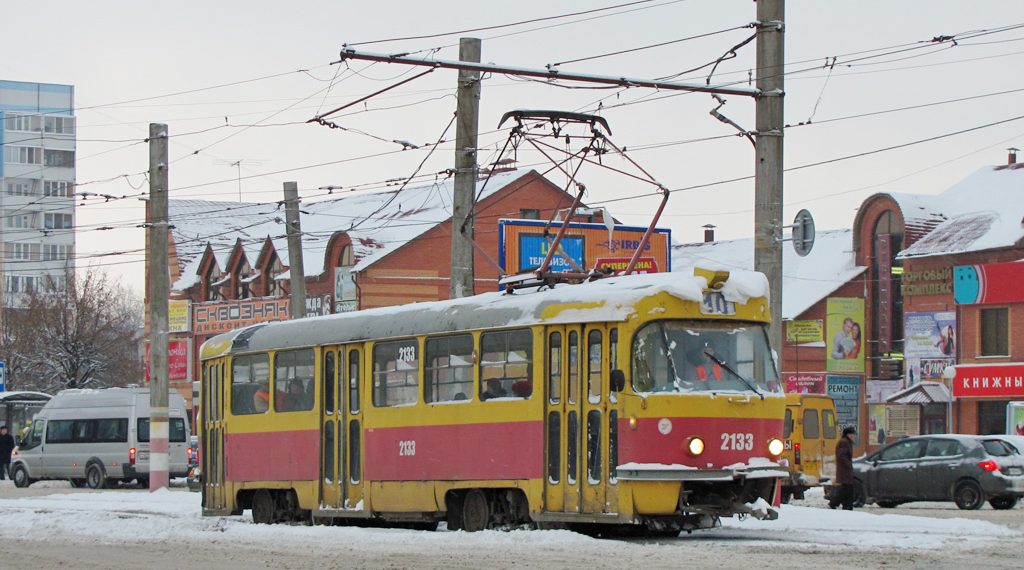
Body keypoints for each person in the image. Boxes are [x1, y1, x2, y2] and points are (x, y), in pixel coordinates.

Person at [828, 426, 858, 510]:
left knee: (846, 489)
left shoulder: (847, 442)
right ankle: (842, 505)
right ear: (847, 434)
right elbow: (842, 456)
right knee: (847, 489)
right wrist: (848, 465)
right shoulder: (844, 442)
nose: (853, 436)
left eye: (854, 434)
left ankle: (841, 504)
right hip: (844, 470)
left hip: (845, 470)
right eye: (852, 434)